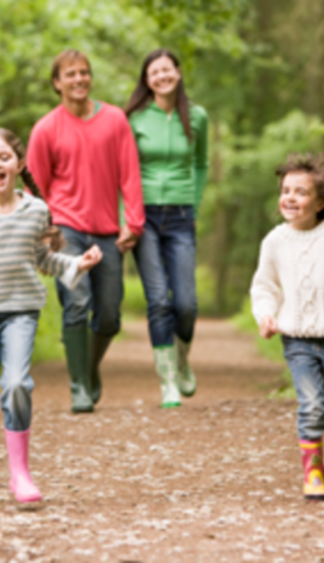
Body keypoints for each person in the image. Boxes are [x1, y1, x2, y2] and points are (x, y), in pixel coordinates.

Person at [0, 128, 103, 503]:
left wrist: (76, 264)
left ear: (17, 164)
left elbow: (41, 258)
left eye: (4, 157)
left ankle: (20, 474)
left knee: (16, 384)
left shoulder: (35, 209)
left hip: (21, 313)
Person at [28, 49, 145, 414]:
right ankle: (78, 385)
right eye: (71, 74)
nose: (79, 79)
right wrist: (43, 235)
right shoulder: (46, 128)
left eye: (84, 72)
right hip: (66, 230)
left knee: (109, 313)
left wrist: (134, 222)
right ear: (57, 83)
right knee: (77, 303)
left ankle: (88, 368)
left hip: (108, 231)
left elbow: (129, 173)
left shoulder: (114, 120)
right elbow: (35, 188)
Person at [249, 154, 324, 501]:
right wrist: (265, 314)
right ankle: (314, 470)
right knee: (311, 405)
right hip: (296, 339)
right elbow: (265, 286)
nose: (289, 197)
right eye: (285, 190)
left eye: (300, 192)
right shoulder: (274, 241)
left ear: (320, 202)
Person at [124, 48, 209, 408]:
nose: (161, 76)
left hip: (181, 215)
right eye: (153, 72)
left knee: (186, 303)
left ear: (177, 72)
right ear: (146, 80)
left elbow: (202, 163)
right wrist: (125, 218)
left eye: (166, 70)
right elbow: (124, 171)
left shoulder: (198, 116)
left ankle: (182, 358)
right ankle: (168, 382)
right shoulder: (136, 119)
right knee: (158, 300)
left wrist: (194, 200)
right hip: (143, 217)